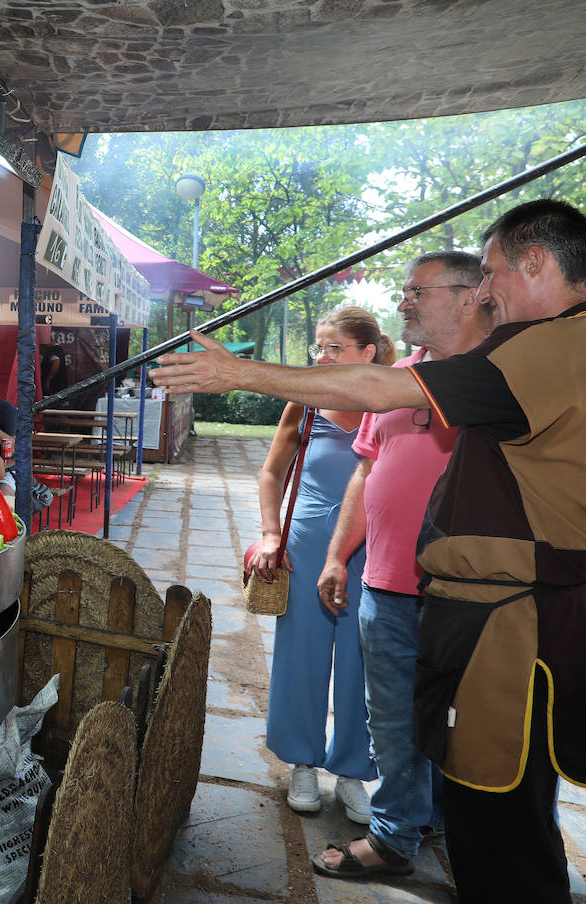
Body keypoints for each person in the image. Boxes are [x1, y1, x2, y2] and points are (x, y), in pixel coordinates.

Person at [152, 199, 586, 903]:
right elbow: (370, 451)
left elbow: (380, 387)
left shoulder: (548, 347)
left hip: (512, 623)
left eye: (495, 272)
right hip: (487, 609)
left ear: (536, 263)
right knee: (491, 794)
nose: (489, 290)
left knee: (498, 817)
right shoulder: (556, 347)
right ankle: (395, 829)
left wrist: (241, 374)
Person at [312, 252, 490, 878]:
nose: (404, 301)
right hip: (384, 584)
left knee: (470, 724)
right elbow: (367, 469)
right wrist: (339, 556)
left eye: (418, 290)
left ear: (471, 298)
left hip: (470, 595)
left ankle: (467, 838)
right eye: (404, 290)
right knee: (391, 719)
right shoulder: (396, 378)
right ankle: (394, 838)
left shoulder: (494, 377)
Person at [250, 307, 392, 826]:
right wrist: (270, 534)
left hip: (371, 548)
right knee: (302, 653)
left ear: (367, 354)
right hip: (308, 545)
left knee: (363, 662)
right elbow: (271, 472)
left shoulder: (390, 403)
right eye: (319, 347)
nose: (322, 357)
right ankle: (303, 762)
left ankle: (354, 769)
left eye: (334, 348)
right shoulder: (306, 401)